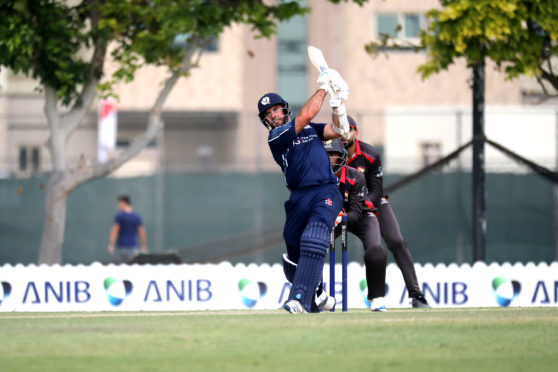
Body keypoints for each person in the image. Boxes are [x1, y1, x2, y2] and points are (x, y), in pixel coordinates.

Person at [257, 68, 350, 313]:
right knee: (292, 253)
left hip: (325, 191)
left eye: (276, 109)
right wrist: (323, 86)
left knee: (314, 236)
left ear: (284, 108)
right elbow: (307, 113)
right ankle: (317, 294)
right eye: (268, 113)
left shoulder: (311, 130)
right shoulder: (276, 137)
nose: (274, 115)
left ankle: (297, 298)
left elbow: (339, 130)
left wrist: (337, 104)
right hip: (298, 196)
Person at [342, 116, 431, 308]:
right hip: (343, 203)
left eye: (348, 129)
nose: (344, 133)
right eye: (340, 129)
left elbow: (376, 189)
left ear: (356, 132)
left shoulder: (370, 154)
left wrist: (363, 204)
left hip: (371, 202)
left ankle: (416, 295)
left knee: (396, 240)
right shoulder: (331, 153)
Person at [324, 139, 388, 311]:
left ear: (342, 157)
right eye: (327, 155)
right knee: (311, 245)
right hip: (333, 218)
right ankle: (313, 296)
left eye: (334, 155)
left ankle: (377, 298)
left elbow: (356, 211)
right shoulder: (317, 177)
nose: (330, 159)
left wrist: (340, 217)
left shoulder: (355, 176)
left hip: (362, 216)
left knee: (376, 250)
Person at [107, 195, 147, 263]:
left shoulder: (120, 216)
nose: (118, 205)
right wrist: (144, 246)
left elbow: (114, 231)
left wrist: (111, 244)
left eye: (119, 203)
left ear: (124, 203)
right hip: (134, 248)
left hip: (122, 248)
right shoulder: (137, 216)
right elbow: (142, 233)